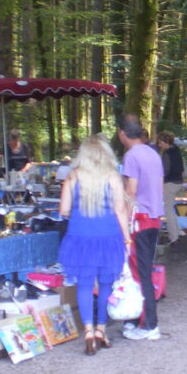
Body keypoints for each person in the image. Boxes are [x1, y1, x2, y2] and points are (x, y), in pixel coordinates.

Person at [56, 135, 129, 355]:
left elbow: (64, 210)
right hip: (108, 235)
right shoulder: (112, 176)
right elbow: (120, 210)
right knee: (106, 283)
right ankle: (101, 330)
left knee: (85, 284)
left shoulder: (72, 177)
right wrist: (127, 238)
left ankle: (87, 332)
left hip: (80, 236)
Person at [119, 114, 164, 342]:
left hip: (140, 219)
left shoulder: (131, 156)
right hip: (154, 218)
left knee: (140, 272)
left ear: (122, 134)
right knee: (144, 269)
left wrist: (124, 222)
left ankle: (149, 325)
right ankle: (138, 319)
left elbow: (131, 191)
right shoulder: (152, 152)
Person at [157, 131, 185, 244]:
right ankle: (178, 231)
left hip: (170, 183)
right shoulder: (176, 149)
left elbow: (165, 171)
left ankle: (174, 237)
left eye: (160, 143)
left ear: (165, 142)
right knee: (171, 209)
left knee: (168, 210)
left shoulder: (167, 154)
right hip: (178, 181)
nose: (159, 145)